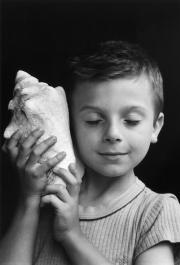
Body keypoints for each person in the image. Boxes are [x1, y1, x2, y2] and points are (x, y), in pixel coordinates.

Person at [1, 40, 180, 265]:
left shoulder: (156, 210)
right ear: (71, 124)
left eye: (131, 121)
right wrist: (28, 201)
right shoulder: (49, 201)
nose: (113, 134)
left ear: (155, 126)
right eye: (94, 121)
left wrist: (72, 236)